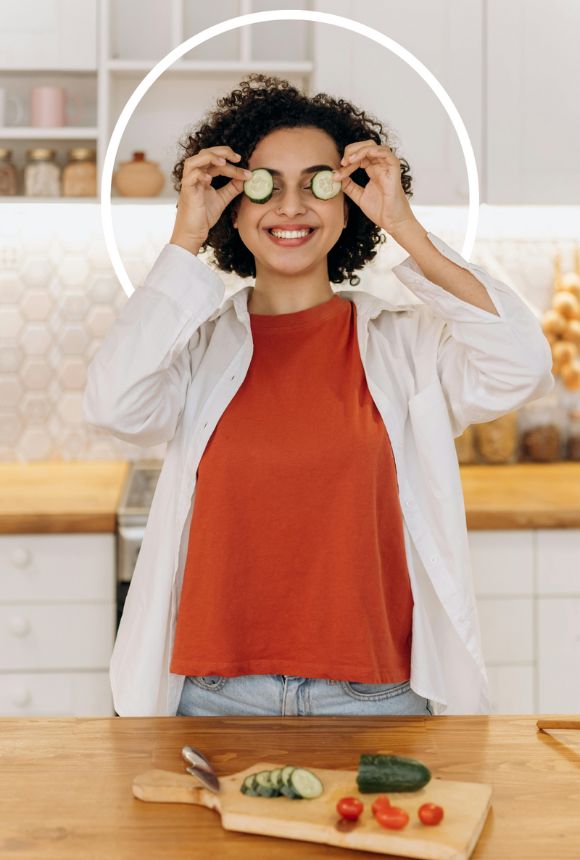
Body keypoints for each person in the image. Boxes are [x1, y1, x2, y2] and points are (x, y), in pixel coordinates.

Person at [84, 74, 554, 717]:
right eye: (265, 186)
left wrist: (403, 224)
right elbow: (112, 403)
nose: (291, 207)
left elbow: (521, 365)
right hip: (215, 696)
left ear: (348, 201)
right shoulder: (197, 348)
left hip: (378, 695)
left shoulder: (406, 346)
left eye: (317, 183)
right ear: (233, 204)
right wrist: (184, 237)